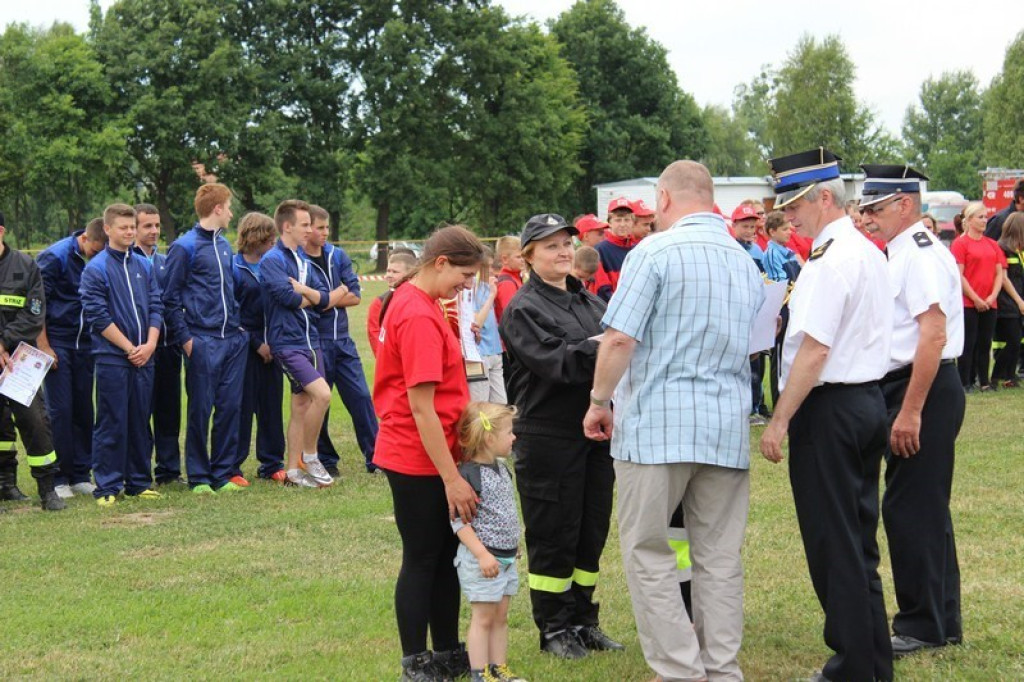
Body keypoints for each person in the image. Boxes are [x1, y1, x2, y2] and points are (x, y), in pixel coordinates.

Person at [583, 160, 763, 681]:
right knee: (719, 557)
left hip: (657, 426)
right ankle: (721, 668)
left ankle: (681, 670)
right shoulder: (744, 260)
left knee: (648, 550)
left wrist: (599, 400)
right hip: (725, 425)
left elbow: (619, 338)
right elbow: (756, 342)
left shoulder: (653, 252)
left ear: (663, 199)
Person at [759, 148, 894, 682]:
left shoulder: (831, 256)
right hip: (863, 402)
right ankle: (872, 661)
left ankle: (853, 666)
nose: (787, 215)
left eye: (794, 204)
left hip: (831, 408)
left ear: (823, 197)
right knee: (856, 540)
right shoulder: (861, 250)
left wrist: (779, 419)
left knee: (833, 543)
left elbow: (814, 350)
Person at [499, 214, 623, 660]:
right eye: (550, 246)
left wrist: (612, 342)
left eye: (567, 243)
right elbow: (559, 363)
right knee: (554, 532)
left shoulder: (590, 302)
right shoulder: (524, 308)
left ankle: (584, 619)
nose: (564, 252)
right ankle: (554, 627)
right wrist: (608, 346)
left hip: (596, 433)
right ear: (529, 256)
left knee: (591, 529)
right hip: (548, 433)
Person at [858, 163, 966, 659]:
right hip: (916, 384)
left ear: (904, 204)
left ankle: (922, 623)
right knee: (924, 506)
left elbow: (933, 334)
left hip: (920, 386)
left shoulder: (917, 255)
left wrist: (911, 411)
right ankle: (940, 619)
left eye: (875, 208)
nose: (867, 217)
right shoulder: (903, 251)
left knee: (910, 509)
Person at [372, 225, 486, 682]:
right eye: (463, 273)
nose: (467, 284)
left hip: (430, 452)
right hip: (418, 456)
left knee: (444, 555)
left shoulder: (417, 300)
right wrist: (451, 478)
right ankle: (416, 661)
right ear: (440, 263)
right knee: (423, 557)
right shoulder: (418, 314)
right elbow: (421, 407)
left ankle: (447, 651)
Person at [161, 183, 248, 494]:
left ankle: (222, 473)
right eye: (229, 207)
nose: (232, 213)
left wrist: (239, 331)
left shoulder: (225, 245)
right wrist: (186, 340)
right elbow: (168, 298)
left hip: (232, 340)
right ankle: (198, 476)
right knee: (201, 408)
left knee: (230, 408)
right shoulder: (185, 247)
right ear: (217, 209)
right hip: (202, 340)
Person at [79, 204, 164, 506]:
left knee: (140, 421)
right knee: (112, 421)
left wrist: (150, 344)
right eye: (123, 228)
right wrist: (129, 348)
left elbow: (156, 305)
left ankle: (138, 482)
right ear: (108, 230)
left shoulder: (144, 266)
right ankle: (108, 486)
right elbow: (98, 317)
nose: (129, 233)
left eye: (132, 228)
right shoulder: (96, 268)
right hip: (113, 358)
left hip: (146, 356)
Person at [260, 200, 340, 489]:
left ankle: (293, 472)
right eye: (305, 225)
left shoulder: (305, 261)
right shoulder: (272, 260)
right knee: (323, 395)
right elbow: (287, 298)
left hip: (311, 341)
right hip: (287, 343)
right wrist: (310, 297)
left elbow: (324, 300)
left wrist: (307, 292)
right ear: (287, 227)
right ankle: (312, 455)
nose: (309, 230)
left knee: (301, 405)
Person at [450, 402, 525, 682]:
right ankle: (479, 673)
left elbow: (503, 510)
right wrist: (482, 554)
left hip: (505, 560)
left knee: (501, 616)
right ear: (490, 438)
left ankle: (498, 667)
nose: (514, 437)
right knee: (483, 618)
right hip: (483, 562)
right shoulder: (469, 476)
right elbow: (459, 523)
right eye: (509, 432)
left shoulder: (503, 469)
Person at [303, 205, 379, 477]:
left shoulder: (338, 256)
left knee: (360, 397)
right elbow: (304, 303)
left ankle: (376, 458)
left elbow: (355, 296)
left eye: (327, 228)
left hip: (343, 341)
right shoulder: (298, 260)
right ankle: (325, 458)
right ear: (306, 227)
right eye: (319, 228)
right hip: (315, 342)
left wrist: (323, 298)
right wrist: (333, 296)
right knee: (320, 402)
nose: (325, 233)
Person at [35, 217, 106, 498]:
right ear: (85, 239)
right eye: (95, 251)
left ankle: (80, 473)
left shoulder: (102, 258)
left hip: (86, 344)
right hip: (59, 343)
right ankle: (59, 477)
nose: (98, 257)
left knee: (83, 410)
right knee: (60, 411)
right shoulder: (54, 258)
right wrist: (44, 346)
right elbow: (37, 305)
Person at [0, 209, 65, 511]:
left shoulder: (25, 266)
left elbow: (34, 315)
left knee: (36, 422)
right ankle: (5, 485)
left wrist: (3, 341)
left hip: (18, 361)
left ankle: (47, 491)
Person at [232, 212, 286, 483]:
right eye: (271, 237)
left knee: (271, 407)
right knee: (241, 408)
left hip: (274, 347)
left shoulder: (273, 265)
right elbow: (232, 314)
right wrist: (255, 343)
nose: (275, 242)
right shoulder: (234, 268)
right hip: (244, 349)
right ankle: (233, 467)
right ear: (258, 237)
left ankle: (272, 463)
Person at [133, 203, 183, 485]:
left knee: (169, 411)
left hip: (169, 348)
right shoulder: (128, 262)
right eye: (147, 226)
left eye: (156, 226)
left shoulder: (165, 262)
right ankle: (140, 471)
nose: (153, 231)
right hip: (141, 349)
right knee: (141, 412)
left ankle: (169, 470)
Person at [951, 201, 1005, 392]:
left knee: (985, 343)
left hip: (990, 302)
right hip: (968, 302)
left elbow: (1000, 273)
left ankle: (984, 381)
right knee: (968, 343)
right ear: (970, 220)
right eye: (980, 217)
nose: (985, 221)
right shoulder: (960, 244)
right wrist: (975, 298)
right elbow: (960, 274)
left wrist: (992, 297)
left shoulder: (992, 244)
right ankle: (964, 382)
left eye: (985, 217)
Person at [461, 256, 506, 404]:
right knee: (481, 406)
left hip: (494, 351)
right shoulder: (469, 290)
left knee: (500, 404)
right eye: (486, 266)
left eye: (491, 266)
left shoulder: (487, 287)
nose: (490, 270)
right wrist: (491, 297)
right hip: (478, 355)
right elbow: (476, 323)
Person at [992, 212, 1024, 386]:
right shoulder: (1002, 248)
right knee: (1012, 340)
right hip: (1007, 301)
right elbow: (1004, 278)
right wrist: (1019, 301)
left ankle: (1010, 376)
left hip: (1017, 300)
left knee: (1016, 340)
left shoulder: (1017, 250)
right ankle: (997, 375)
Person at [368, 251, 416, 358]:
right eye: (388, 271)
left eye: (394, 272)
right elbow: (375, 338)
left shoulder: (422, 299)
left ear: (410, 274)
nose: (389, 275)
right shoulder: (379, 303)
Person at [593, 197, 635, 301]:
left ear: (632, 222)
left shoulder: (638, 249)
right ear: (609, 223)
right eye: (618, 220)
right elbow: (602, 289)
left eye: (626, 220)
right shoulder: (599, 250)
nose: (622, 224)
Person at [492, 236, 524, 325]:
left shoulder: (515, 278)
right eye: (518, 257)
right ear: (505, 259)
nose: (523, 260)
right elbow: (512, 316)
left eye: (524, 256)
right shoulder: (507, 283)